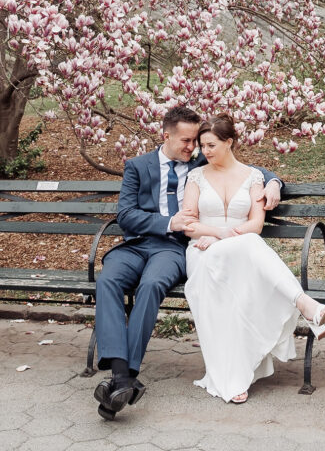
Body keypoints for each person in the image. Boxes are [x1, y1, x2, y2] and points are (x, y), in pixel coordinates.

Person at [93, 105, 284, 420]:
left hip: (171, 251)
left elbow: (247, 169)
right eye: (185, 140)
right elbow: (125, 216)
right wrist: (169, 222)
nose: (192, 147)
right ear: (165, 135)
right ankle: (121, 375)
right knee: (108, 281)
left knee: (152, 285)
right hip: (135, 245)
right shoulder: (138, 166)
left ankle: (123, 376)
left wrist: (274, 183)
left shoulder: (198, 163)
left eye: (196, 141)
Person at [183, 114, 325, 404]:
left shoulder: (253, 177)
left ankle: (302, 309)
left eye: (212, 145)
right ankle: (305, 304)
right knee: (250, 244)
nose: (205, 152)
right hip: (203, 253)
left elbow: (255, 224)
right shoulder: (196, 177)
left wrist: (221, 236)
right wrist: (215, 235)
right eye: (202, 146)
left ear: (230, 142)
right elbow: (189, 225)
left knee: (250, 242)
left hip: (240, 253)